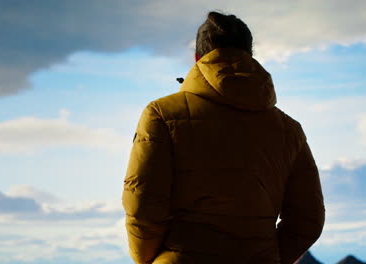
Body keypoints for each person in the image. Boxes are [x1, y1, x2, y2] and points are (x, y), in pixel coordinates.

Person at [122, 11, 325, 264]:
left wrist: (148, 259)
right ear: (249, 57)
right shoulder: (289, 129)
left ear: (197, 58)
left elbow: (143, 203)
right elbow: (309, 219)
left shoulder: (161, 114)